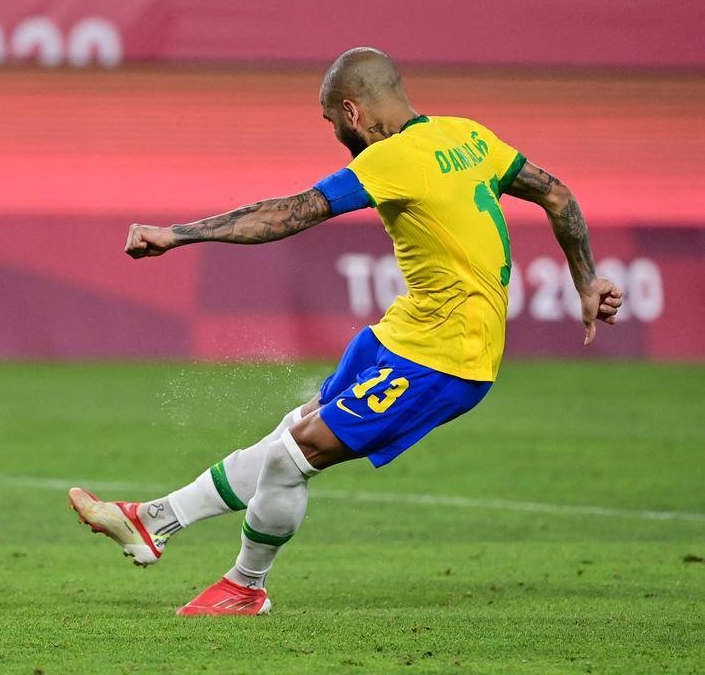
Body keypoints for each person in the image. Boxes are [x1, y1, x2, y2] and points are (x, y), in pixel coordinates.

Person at [68, 47, 624, 616]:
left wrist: (179, 235)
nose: (335, 132)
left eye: (333, 123)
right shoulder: (469, 136)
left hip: (449, 358)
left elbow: (292, 212)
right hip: (404, 333)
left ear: (353, 113)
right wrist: (586, 279)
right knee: (295, 430)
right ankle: (154, 520)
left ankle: (244, 588)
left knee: (294, 457)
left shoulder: (391, 160)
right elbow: (556, 194)